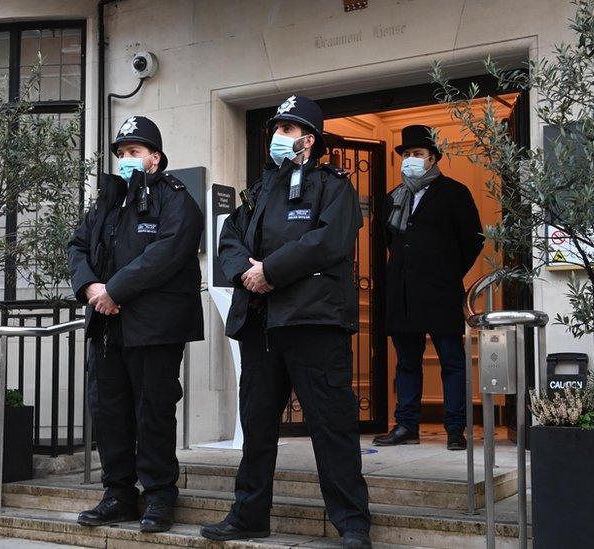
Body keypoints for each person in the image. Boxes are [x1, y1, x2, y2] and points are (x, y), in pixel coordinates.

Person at [202, 94, 372, 548]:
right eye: (275, 128)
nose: (276, 137)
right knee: (257, 428)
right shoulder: (260, 190)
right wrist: (246, 272)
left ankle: (352, 522)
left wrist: (270, 271)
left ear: (308, 139)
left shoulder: (333, 185)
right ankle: (249, 515)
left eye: (286, 129)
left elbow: (328, 242)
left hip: (313, 323)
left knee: (330, 426)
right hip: (261, 325)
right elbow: (230, 236)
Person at [67, 115, 204, 532]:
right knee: (109, 412)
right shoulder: (107, 202)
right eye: (122, 153)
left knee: (153, 413)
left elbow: (165, 254)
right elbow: (77, 246)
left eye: (135, 153)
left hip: (155, 329)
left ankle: (160, 495)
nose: (126, 160)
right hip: (107, 329)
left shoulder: (175, 199)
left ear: (155, 158)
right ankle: (118, 494)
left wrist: (115, 291)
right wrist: (91, 288)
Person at [373, 124, 484, 451]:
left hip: (440, 291)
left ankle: (455, 428)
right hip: (402, 294)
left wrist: (448, 271)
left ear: (432, 158)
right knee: (406, 361)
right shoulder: (394, 196)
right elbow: (388, 243)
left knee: (452, 360)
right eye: (406, 154)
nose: (410, 159)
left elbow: (473, 240)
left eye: (417, 154)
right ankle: (406, 425)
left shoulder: (454, 192)